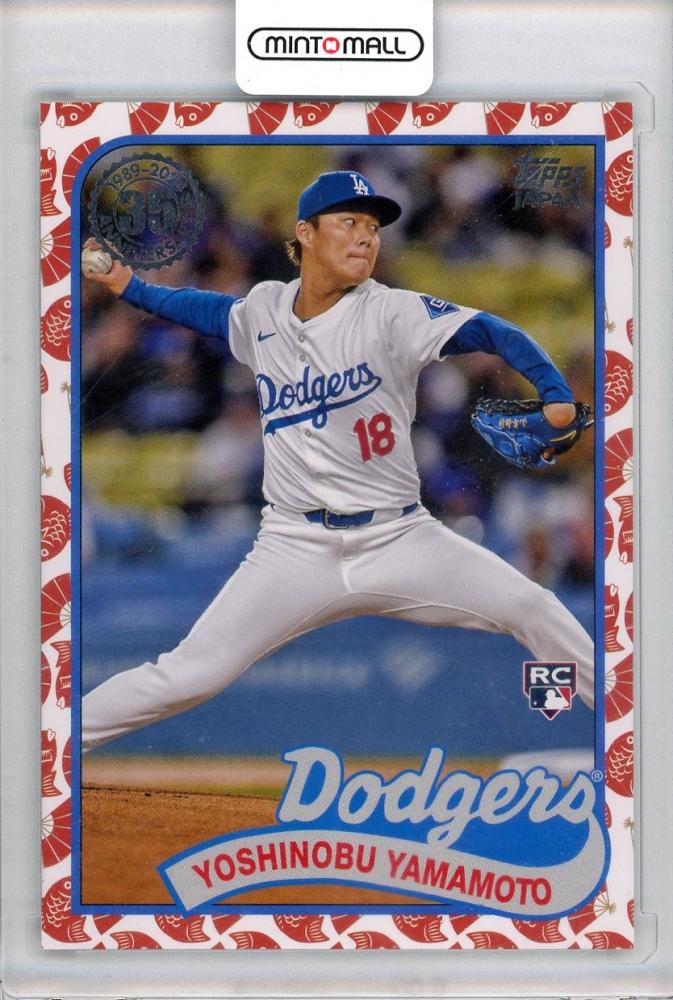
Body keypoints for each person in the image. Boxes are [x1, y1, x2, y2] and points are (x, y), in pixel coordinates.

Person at [81, 170, 594, 751]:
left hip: (398, 538)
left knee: (532, 605)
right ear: (305, 234)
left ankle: (632, 734)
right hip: (292, 548)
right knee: (188, 675)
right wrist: (129, 285)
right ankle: (53, 747)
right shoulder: (264, 309)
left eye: (373, 227)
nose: (366, 236)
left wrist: (553, 391)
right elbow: (201, 309)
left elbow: (492, 331)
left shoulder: (392, 312)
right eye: (349, 222)